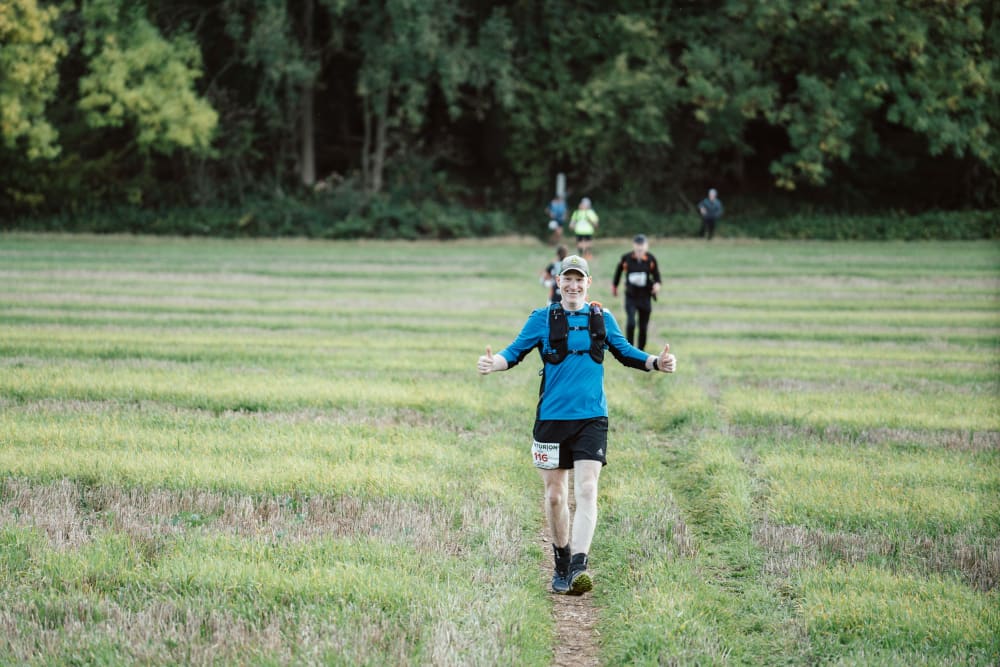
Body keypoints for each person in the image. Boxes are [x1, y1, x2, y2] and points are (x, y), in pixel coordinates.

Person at [477, 255, 677, 596]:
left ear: (588, 283)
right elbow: (513, 353)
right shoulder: (542, 318)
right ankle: (561, 560)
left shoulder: (602, 317)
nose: (573, 285)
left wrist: (656, 362)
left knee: (587, 489)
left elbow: (624, 351)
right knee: (556, 496)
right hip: (552, 419)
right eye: (567, 279)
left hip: (591, 417)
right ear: (558, 283)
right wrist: (491, 363)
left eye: (579, 279)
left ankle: (578, 568)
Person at [611, 234, 662, 351]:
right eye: (638, 248)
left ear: (646, 247)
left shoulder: (651, 259)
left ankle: (640, 350)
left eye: (642, 248)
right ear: (634, 246)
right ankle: (629, 349)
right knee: (631, 323)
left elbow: (657, 277)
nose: (640, 251)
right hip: (631, 296)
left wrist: (657, 285)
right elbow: (618, 272)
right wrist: (615, 286)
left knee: (643, 327)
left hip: (645, 297)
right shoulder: (626, 258)